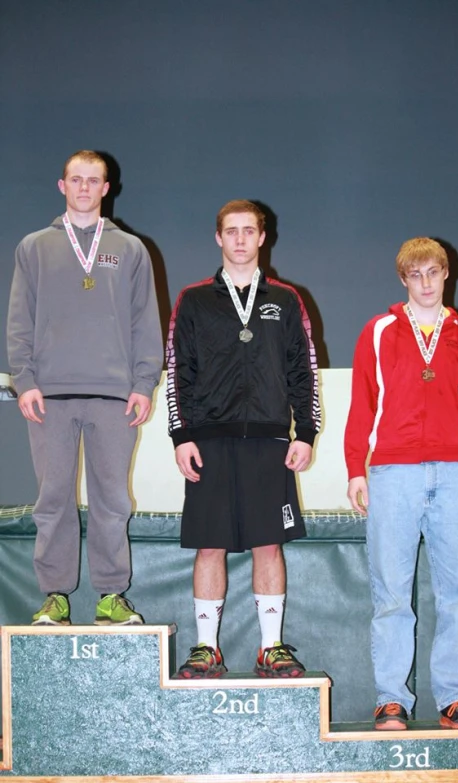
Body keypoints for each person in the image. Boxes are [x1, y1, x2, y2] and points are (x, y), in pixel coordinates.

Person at [344, 237, 458, 731]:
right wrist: (355, 468)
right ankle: (392, 699)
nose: (426, 283)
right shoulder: (379, 331)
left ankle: (454, 699)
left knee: (457, 591)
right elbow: (362, 403)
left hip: (455, 473)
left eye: (434, 273)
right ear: (403, 280)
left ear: (447, 274)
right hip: (392, 473)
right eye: (416, 275)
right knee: (392, 593)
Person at [7, 150, 163, 626]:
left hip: (115, 396)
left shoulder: (131, 249)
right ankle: (55, 595)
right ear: (62, 186)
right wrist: (25, 380)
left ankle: (111, 596)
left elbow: (146, 322)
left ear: (106, 188)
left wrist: (143, 383)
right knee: (52, 499)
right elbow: (19, 320)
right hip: (49, 395)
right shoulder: (34, 246)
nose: (84, 188)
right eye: (76, 180)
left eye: (93, 181)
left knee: (112, 499)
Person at [166, 199, 321, 678]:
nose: (239, 239)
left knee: (267, 544)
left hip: (271, 440)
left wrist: (307, 432)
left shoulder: (287, 299)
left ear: (262, 236)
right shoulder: (193, 300)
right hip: (208, 440)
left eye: (247, 230)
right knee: (209, 545)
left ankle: (270, 647)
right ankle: (206, 648)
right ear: (218, 238)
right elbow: (178, 371)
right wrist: (180, 435)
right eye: (230, 231)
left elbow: (304, 371)